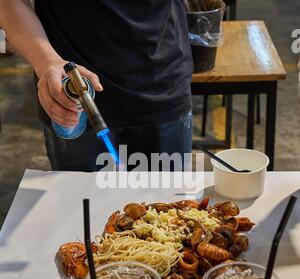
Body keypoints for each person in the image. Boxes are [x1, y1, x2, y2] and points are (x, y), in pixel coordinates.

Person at [0, 0, 193, 171]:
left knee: (169, 207)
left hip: (164, 84)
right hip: (72, 94)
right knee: (80, 209)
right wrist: (46, 62)